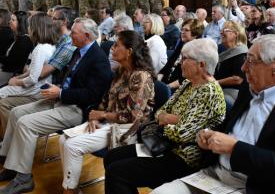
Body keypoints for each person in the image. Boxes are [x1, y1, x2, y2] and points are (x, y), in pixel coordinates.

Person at [152, 34, 275, 194]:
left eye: (251, 61)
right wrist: (209, 136)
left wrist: (234, 148)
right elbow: (230, 128)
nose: (243, 68)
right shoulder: (249, 88)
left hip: (256, 186)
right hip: (215, 174)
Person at [0, 18, 113, 193]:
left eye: (74, 33)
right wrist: (59, 89)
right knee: (15, 113)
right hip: (62, 99)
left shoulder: (99, 60)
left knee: (25, 124)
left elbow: (91, 95)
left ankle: (23, 179)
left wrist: (60, 93)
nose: (70, 35)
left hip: (76, 109)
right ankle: (11, 164)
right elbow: (71, 79)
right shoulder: (80, 51)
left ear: (87, 35)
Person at [104, 38, 226, 194]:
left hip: (183, 157)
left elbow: (181, 134)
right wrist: (173, 119)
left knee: (117, 172)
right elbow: (159, 113)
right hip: (164, 145)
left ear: (201, 64)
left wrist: (167, 120)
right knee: (111, 157)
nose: (180, 62)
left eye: (185, 59)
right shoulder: (188, 83)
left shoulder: (209, 92)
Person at [59, 30, 155, 194]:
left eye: (117, 45)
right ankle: (71, 187)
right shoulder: (120, 71)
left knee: (72, 145)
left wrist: (102, 115)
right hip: (109, 123)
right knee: (63, 139)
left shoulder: (141, 76)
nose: (111, 48)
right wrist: (95, 117)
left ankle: (70, 190)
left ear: (129, 52)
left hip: (127, 130)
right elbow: (106, 99)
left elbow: (133, 116)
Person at [0, 13, 59, 137]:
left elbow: (33, 78)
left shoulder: (40, 49)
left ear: (36, 28)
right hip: (35, 87)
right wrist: (18, 78)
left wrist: (16, 82)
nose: (28, 29)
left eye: (30, 26)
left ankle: (8, 138)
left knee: (2, 98)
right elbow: (30, 71)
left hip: (35, 91)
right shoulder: (47, 46)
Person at [159, 18, 204, 90]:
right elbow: (169, 64)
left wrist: (166, 88)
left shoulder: (197, 51)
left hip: (179, 88)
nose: (182, 32)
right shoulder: (182, 44)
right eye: (182, 29)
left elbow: (185, 79)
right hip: (166, 82)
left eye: (186, 30)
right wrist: (159, 79)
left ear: (195, 33)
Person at [215, 21, 248, 106]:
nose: (221, 32)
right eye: (221, 30)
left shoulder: (242, 52)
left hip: (232, 94)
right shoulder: (223, 50)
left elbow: (237, 79)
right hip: (220, 90)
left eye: (225, 30)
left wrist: (214, 83)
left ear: (235, 34)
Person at [0, 11, 33, 86]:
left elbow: (14, 64)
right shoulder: (16, 37)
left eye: (13, 20)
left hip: (11, 73)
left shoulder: (25, 40)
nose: (9, 22)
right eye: (10, 19)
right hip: (6, 68)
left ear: (20, 23)